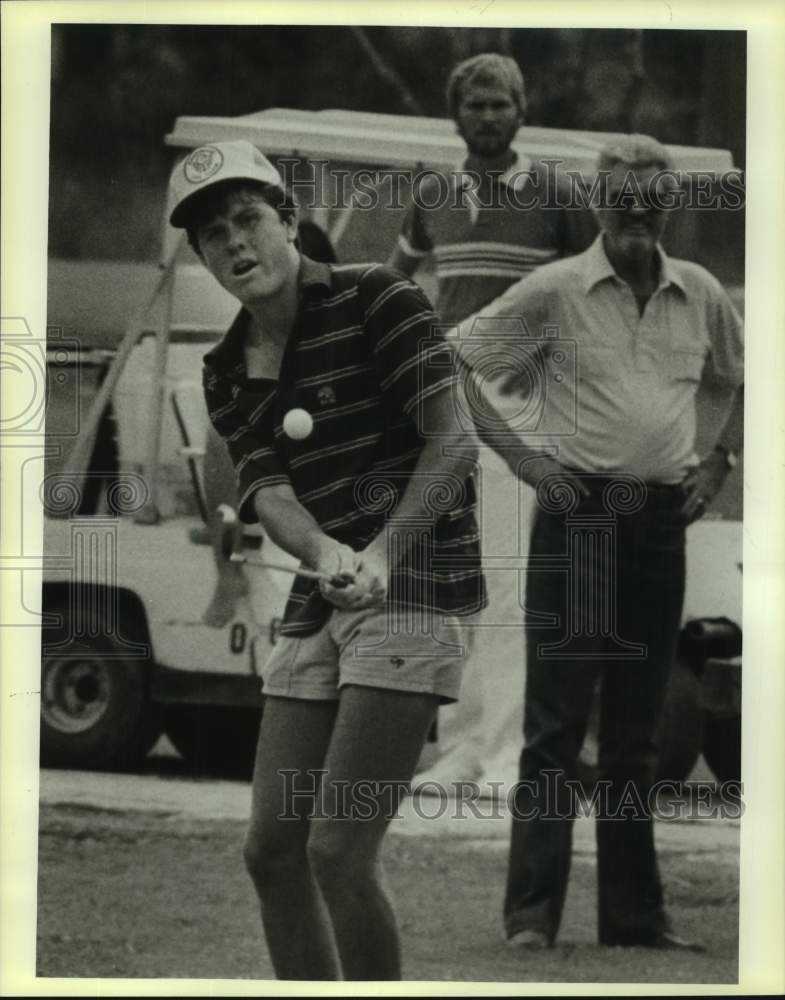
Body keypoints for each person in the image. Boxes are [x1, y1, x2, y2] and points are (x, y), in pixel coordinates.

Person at [166, 139, 485, 980]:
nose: (234, 244)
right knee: (272, 851)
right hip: (323, 598)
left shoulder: (378, 298)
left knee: (338, 850)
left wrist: (381, 553)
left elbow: (454, 443)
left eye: (247, 219)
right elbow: (268, 491)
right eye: (211, 236)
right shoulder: (225, 368)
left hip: (417, 585)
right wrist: (326, 550)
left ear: (288, 221)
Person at [453, 134, 744, 950]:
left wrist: (715, 462)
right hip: (575, 517)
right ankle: (529, 920)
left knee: (635, 733)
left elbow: (735, 375)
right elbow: (456, 366)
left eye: (649, 201)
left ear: (669, 206)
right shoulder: (554, 291)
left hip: (658, 526)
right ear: (596, 203)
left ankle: (633, 918)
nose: (634, 214)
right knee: (553, 727)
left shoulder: (701, 294)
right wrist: (522, 461)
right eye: (620, 200)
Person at [389, 52, 589, 790]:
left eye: (500, 104)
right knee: (454, 577)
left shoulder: (559, 193)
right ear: (455, 114)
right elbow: (397, 284)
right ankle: (463, 744)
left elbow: (587, 295)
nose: (488, 117)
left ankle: (509, 753)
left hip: (524, 407)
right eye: (474, 105)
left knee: (507, 581)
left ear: (522, 110)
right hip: (446, 404)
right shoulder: (432, 192)